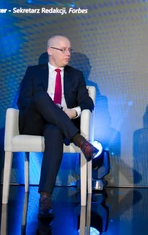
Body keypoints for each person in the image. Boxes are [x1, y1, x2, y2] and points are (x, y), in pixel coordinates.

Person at [16, 35, 98, 218]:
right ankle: (80, 140)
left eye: (69, 50)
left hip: (59, 126)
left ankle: (45, 197)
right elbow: (22, 102)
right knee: (41, 96)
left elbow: (87, 103)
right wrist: (47, 107)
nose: (68, 54)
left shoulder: (75, 75)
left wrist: (72, 113)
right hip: (35, 123)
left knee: (54, 131)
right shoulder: (33, 72)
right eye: (63, 50)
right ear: (50, 51)